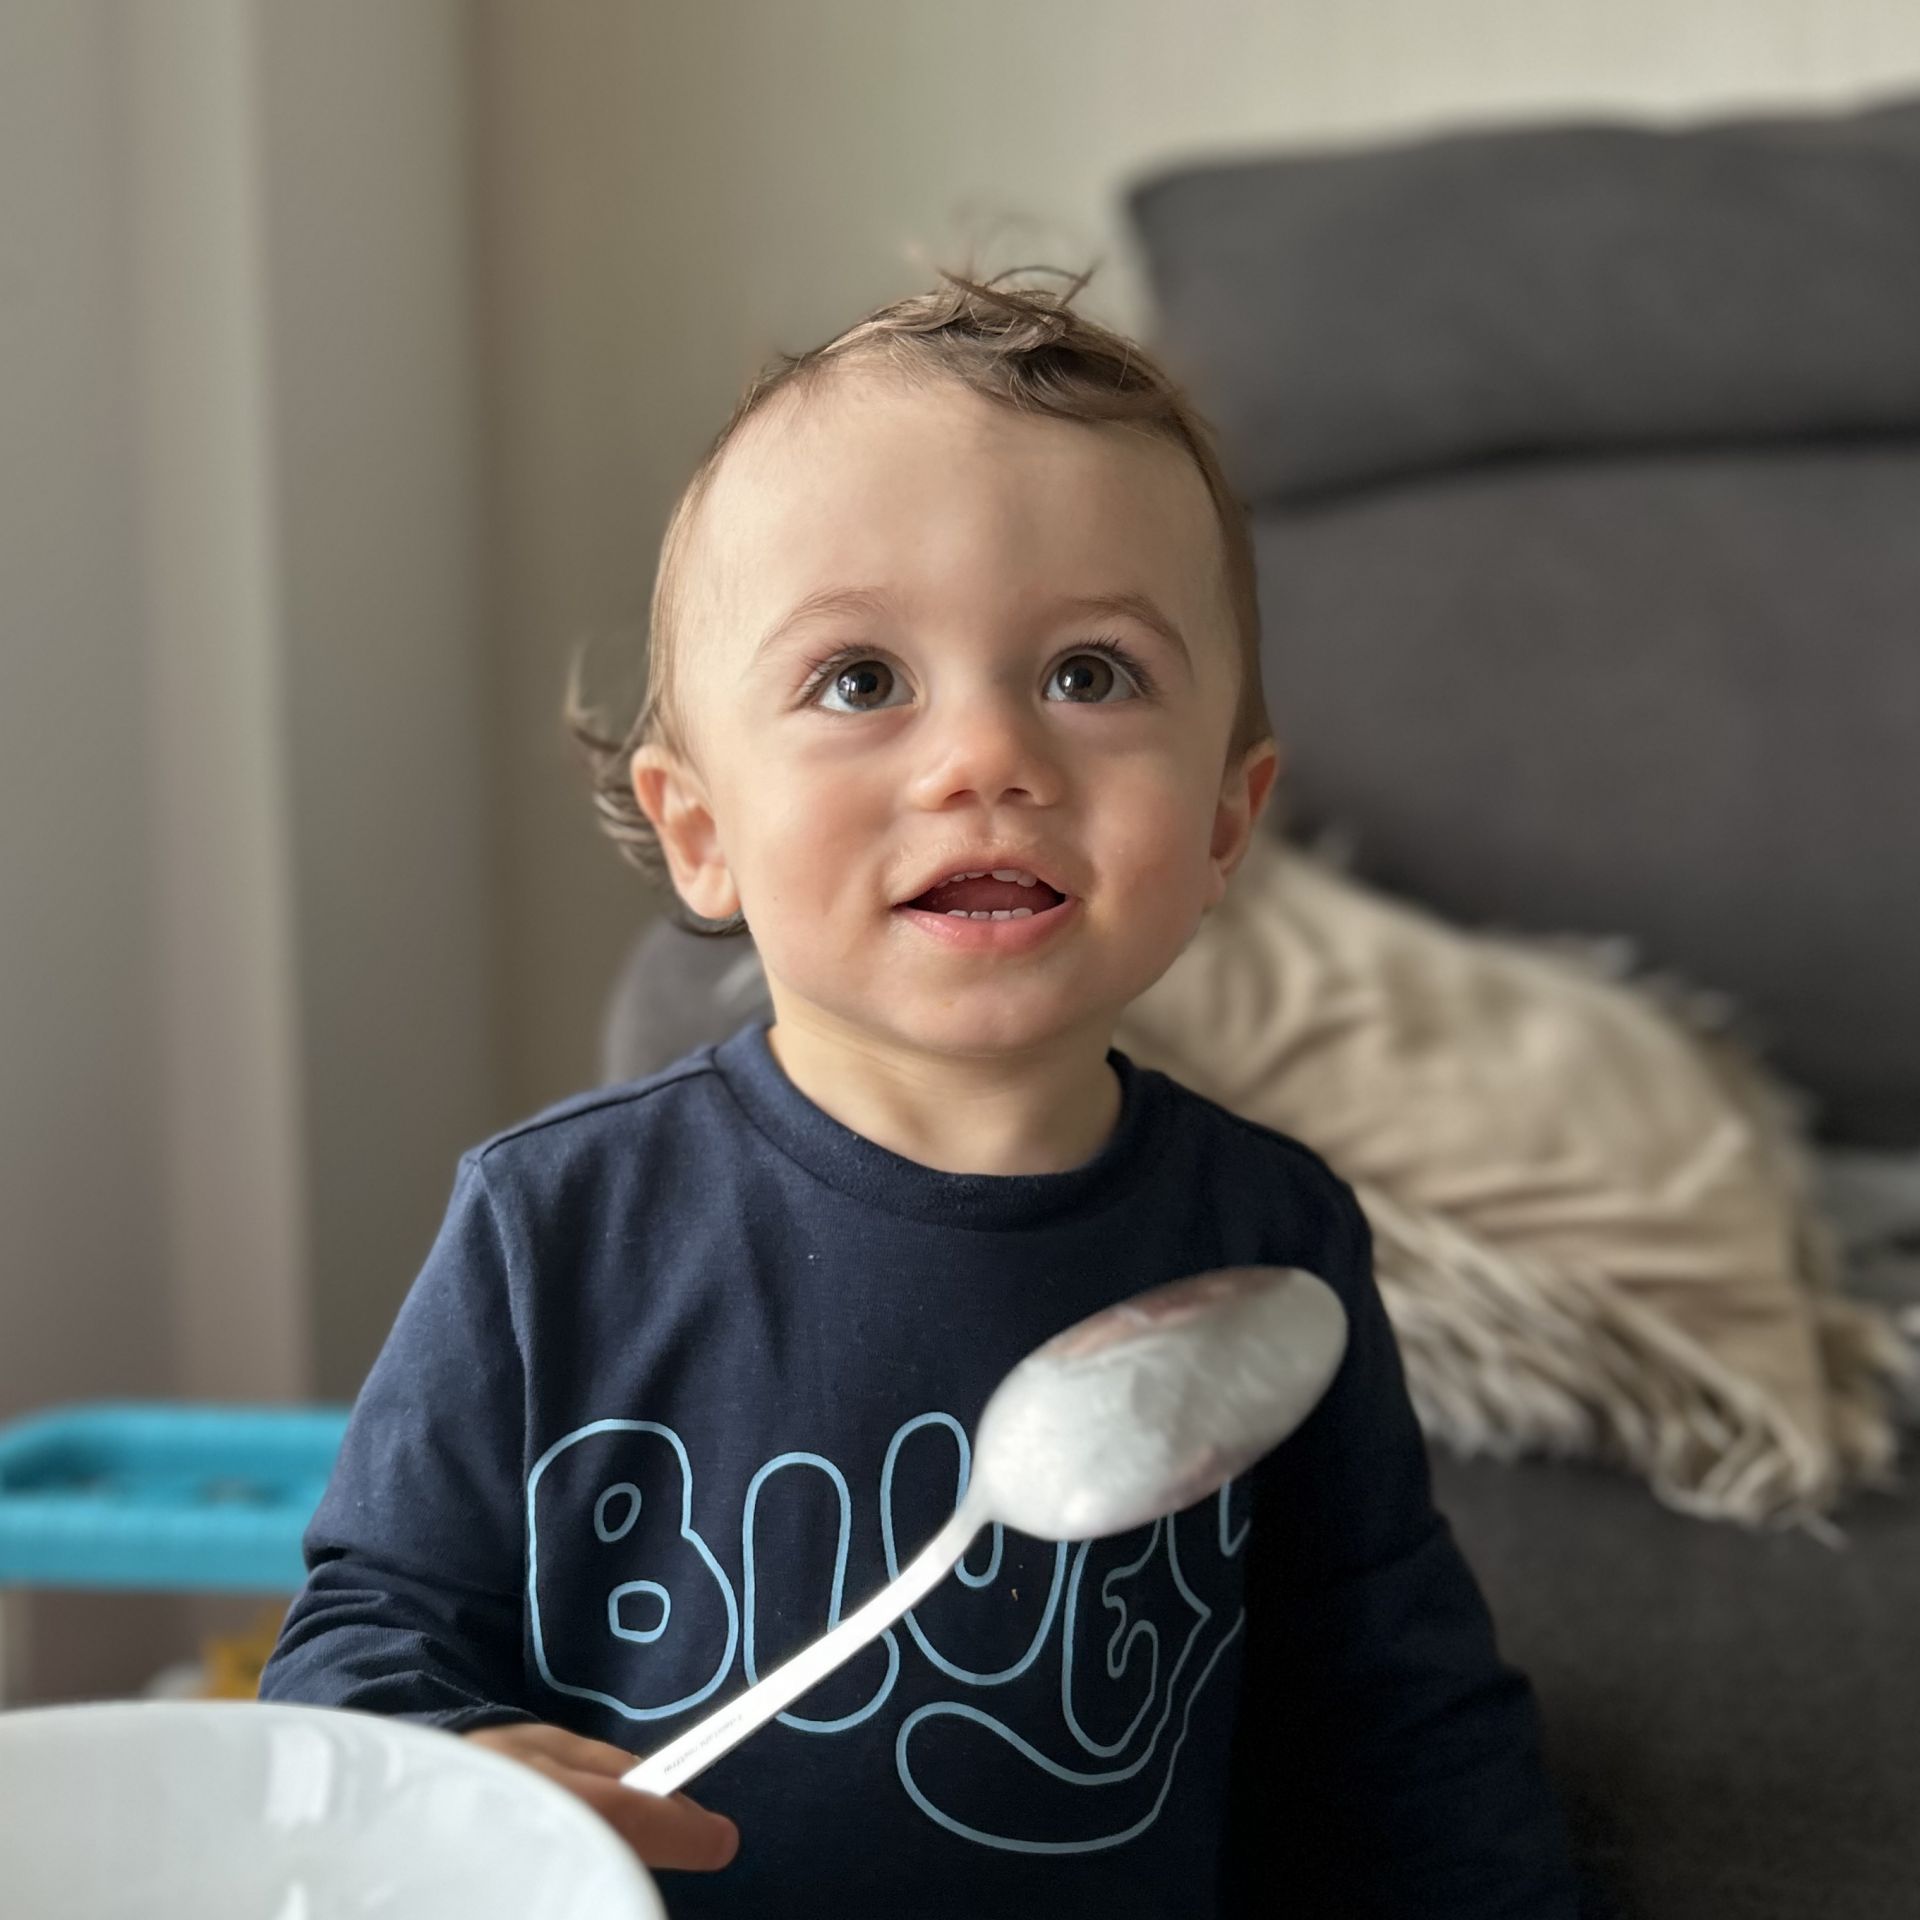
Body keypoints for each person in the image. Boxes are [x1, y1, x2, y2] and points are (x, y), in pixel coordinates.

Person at [259, 263, 1583, 1917]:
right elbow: (365, 1630)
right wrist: (438, 1756)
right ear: (701, 833)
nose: (987, 759)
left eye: (1089, 673)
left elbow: (1398, 1719)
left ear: (1225, 823)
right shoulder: (556, 1228)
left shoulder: (1268, 1241)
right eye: (862, 681)